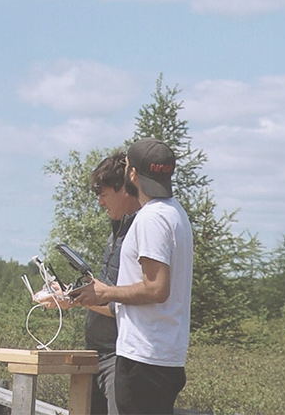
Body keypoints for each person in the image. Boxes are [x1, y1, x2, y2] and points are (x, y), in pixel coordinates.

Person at [72, 138, 193, 415]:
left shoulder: (151, 218)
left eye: (127, 165)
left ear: (134, 174)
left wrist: (105, 292)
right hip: (160, 356)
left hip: (144, 358)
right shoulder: (175, 213)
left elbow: (157, 288)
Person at [41, 152, 140, 414]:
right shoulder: (118, 231)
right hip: (97, 353)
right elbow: (105, 291)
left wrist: (72, 300)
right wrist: (70, 294)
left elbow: (123, 301)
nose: (99, 203)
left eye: (103, 194)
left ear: (124, 190)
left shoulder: (139, 231)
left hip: (118, 356)